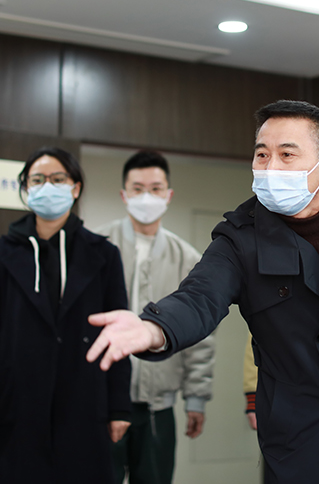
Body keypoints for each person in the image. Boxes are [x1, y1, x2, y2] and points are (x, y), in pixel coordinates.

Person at [86, 100, 319, 484]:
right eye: (262, 155)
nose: (271, 167)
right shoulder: (240, 236)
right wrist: (154, 329)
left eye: (287, 154)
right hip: (301, 440)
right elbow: (200, 296)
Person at [0, 147, 131, 484]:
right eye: (37, 180)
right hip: (15, 400)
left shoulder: (104, 254)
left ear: (75, 188)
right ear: (26, 189)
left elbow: (119, 334)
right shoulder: (1, 252)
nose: (47, 186)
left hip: (83, 398)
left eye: (57, 179)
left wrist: (119, 407)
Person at [94, 150, 215, 484]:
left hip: (158, 407)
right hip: (100, 402)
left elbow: (200, 333)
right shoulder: (96, 247)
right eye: (137, 188)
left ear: (168, 195)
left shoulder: (187, 258)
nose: (146, 196)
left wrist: (196, 398)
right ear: (124, 195)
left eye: (155, 188)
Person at [243, 144, 319, 430]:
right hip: (294, 397)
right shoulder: (273, 233)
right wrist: (252, 392)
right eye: (263, 155)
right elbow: (261, 326)